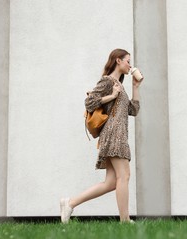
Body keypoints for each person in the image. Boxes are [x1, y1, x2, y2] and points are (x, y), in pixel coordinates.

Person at [60, 48, 142, 223]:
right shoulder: (107, 82)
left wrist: (135, 87)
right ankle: (125, 220)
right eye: (128, 60)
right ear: (118, 61)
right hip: (114, 134)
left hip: (117, 134)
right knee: (124, 176)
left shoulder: (119, 85)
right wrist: (111, 95)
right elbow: (89, 102)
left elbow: (133, 110)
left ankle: (70, 203)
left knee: (112, 182)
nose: (130, 64)